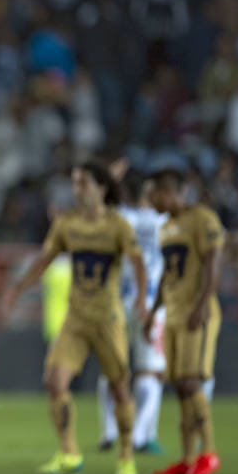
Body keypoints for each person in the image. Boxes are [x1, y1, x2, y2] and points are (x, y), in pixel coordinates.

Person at [0, 161, 147, 474]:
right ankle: (69, 452)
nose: (77, 190)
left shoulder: (118, 225)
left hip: (108, 318)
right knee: (54, 381)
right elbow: (44, 260)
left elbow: (138, 264)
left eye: (83, 183)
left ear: (101, 188)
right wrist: (18, 289)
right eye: (75, 183)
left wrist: (141, 298)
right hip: (76, 317)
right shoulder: (67, 224)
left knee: (120, 387)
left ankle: (126, 455)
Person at [147, 168, 225, 474]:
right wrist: (154, 312)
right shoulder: (166, 227)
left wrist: (203, 304)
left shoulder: (202, 218)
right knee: (179, 385)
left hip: (198, 312)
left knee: (192, 382)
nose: (149, 200)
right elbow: (168, 273)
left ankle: (209, 453)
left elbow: (214, 260)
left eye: (153, 194)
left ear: (169, 191)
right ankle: (188, 457)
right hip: (175, 313)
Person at [97, 168, 168, 454]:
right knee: (151, 372)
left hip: (117, 301)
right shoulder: (165, 221)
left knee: (111, 367)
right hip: (152, 305)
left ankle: (109, 430)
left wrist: (110, 176)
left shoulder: (118, 219)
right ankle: (140, 436)